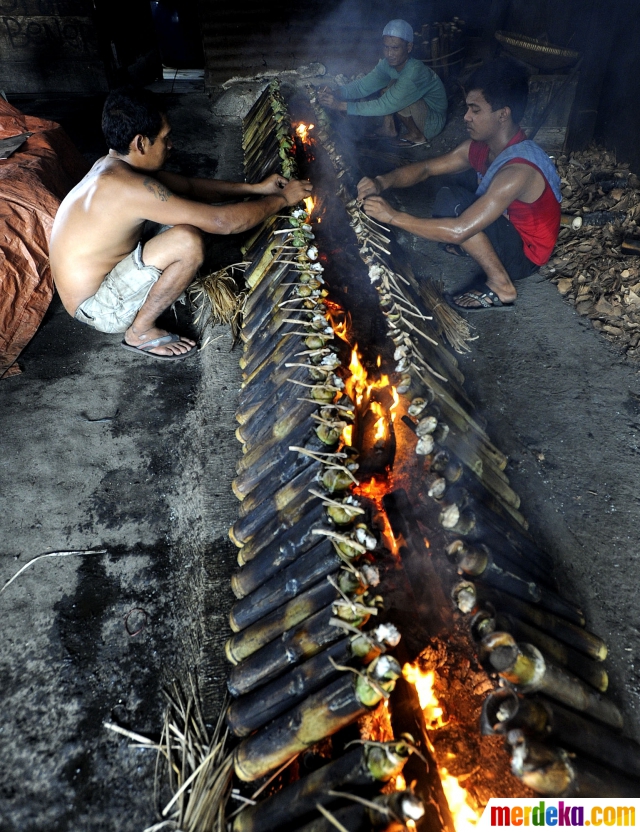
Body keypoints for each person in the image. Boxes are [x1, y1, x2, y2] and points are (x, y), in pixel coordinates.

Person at [50, 87, 313, 360]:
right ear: (140, 143)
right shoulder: (128, 187)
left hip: (93, 290)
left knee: (189, 211)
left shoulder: (112, 166)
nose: (171, 144)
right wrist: (283, 199)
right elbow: (223, 222)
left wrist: (258, 189)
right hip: (98, 309)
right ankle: (139, 332)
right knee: (187, 241)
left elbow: (190, 186)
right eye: (165, 138)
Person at [357, 58, 562, 309]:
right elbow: (426, 168)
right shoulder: (480, 148)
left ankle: (501, 285)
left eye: (475, 111)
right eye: (467, 109)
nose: (466, 117)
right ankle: (478, 248)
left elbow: (460, 230)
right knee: (451, 186)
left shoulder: (518, 171)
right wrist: (381, 181)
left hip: (525, 255)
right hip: (507, 227)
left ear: (503, 115)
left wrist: (392, 217)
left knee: (455, 203)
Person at [318, 19, 447, 146]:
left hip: (432, 121)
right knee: (392, 86)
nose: (389, 54)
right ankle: (389, 128)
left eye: (395, 48)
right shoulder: (387, 64)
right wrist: (336, 92)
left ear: (409, 47)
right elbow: (363, 86)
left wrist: (340, 105)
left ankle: (417, 136)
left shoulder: (414, 72)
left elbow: (384, 105)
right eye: (386, 47)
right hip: (419, 108)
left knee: (394, 94)